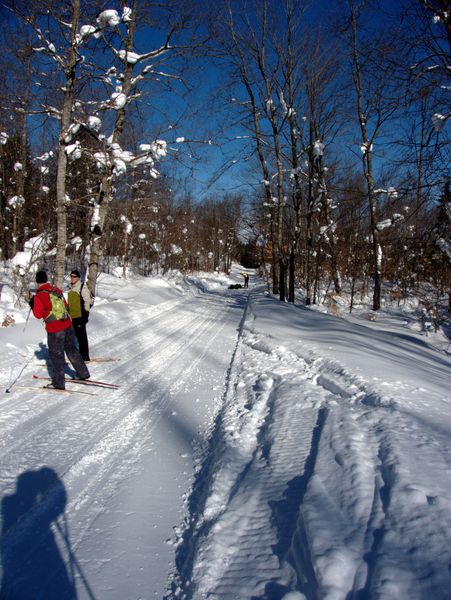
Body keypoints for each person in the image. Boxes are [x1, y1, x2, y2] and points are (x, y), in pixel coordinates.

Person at [29, 270, 90, 389]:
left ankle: (58, 382)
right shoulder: (55, 289)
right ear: (46, 279)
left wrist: (32, 304)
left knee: (56, 355)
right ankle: (83, 373)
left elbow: (38, 314)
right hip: (67, 324)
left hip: (55, 329)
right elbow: (66, 306)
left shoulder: (39, 295)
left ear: (37, 282)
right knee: (72, 349)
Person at [67, 269, 91, 362]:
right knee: (76, 336)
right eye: (71, 276)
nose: (72, 278)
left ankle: (85, 355)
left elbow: (87, 301)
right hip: (73, 316)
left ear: (78, 278)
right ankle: (80, 354)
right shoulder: (71, 288)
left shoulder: (82, 288)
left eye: (74, 276)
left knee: (82, 336)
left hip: (81, 316)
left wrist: (86, 314)